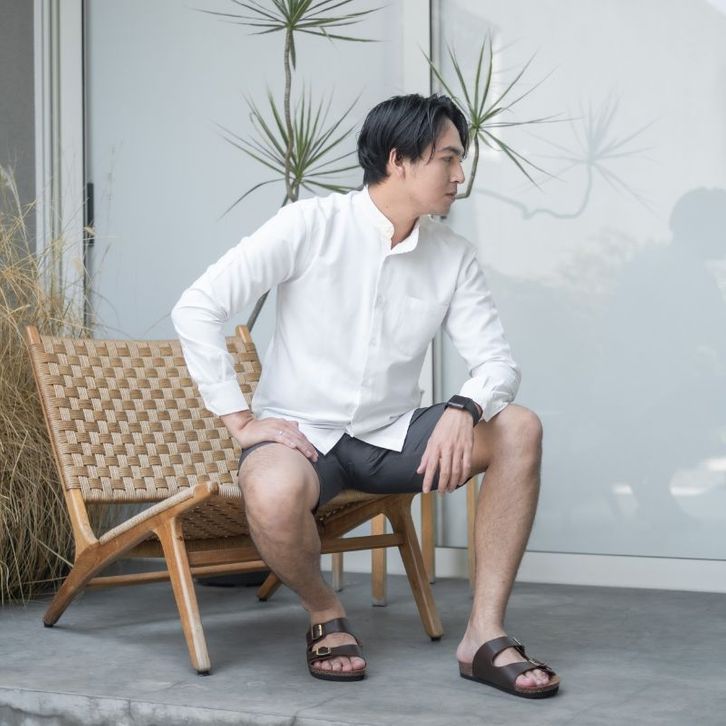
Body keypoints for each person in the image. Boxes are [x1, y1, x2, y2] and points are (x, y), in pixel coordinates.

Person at [171, 93, 560, 699]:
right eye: (448, 158)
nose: (460, 175)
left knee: (520, 427)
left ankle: (483, 635)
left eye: (460, 160)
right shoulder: (308, 225)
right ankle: (324, 611)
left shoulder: (452, 256)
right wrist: (242, 421)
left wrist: (465, 408)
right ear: (399, 160)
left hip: (393, 436)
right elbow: (198, 307)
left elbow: (496, 362)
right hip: (300, 437)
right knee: (271, 491)